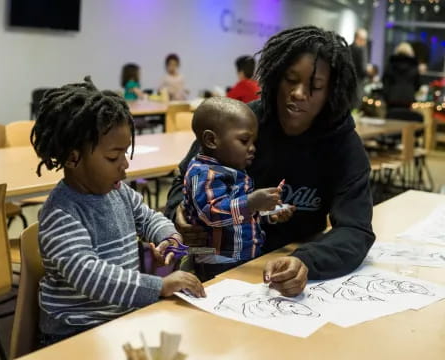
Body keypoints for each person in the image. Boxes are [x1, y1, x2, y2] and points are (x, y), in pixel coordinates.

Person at [165, 26, 375, 297]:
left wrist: (306, 261)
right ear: (276, 77)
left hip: (288, 266)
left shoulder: (343, 143)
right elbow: (182, 180)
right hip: (217, 264)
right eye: (290, 79)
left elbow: (355, 229)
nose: (299, 93)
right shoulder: (239, 123)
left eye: (316, 86)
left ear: (332, 92)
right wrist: (176, 214)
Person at [31, 76, 205, 346]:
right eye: (113, 157)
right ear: (73, 157)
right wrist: (159, 286)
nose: (124, 164)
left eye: (125, 153)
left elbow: (149, 217)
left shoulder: (118, 191)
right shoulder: (60, 214)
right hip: (74, 333)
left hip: (119, 320)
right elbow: (90, 275)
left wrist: (169, 238)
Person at [183, 97, 294, 280]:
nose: (252, 149)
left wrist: (267, 213)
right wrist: (251, 203)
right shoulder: (204, 174)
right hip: (216, 261)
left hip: (241, 257)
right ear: (211, 140)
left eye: (253, 142)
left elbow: (237, 217)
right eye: (244, 141)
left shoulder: (233, 171)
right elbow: (211, 214)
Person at [382, 42, 420, 113]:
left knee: (391, 120)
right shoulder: (414, 66)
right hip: (408, 99)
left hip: (392, 98)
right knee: (406, 120)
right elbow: (417, 84)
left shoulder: (391, 64)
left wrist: (386, 96)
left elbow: (385, 81)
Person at [349, 28, 368, 105]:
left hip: (348, 82)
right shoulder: (361, 50)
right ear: (359, 38)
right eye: (364, 39)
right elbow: (363, 69)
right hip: (358, 83)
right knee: (356, 105)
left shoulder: (348, 48)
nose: (365, 42)